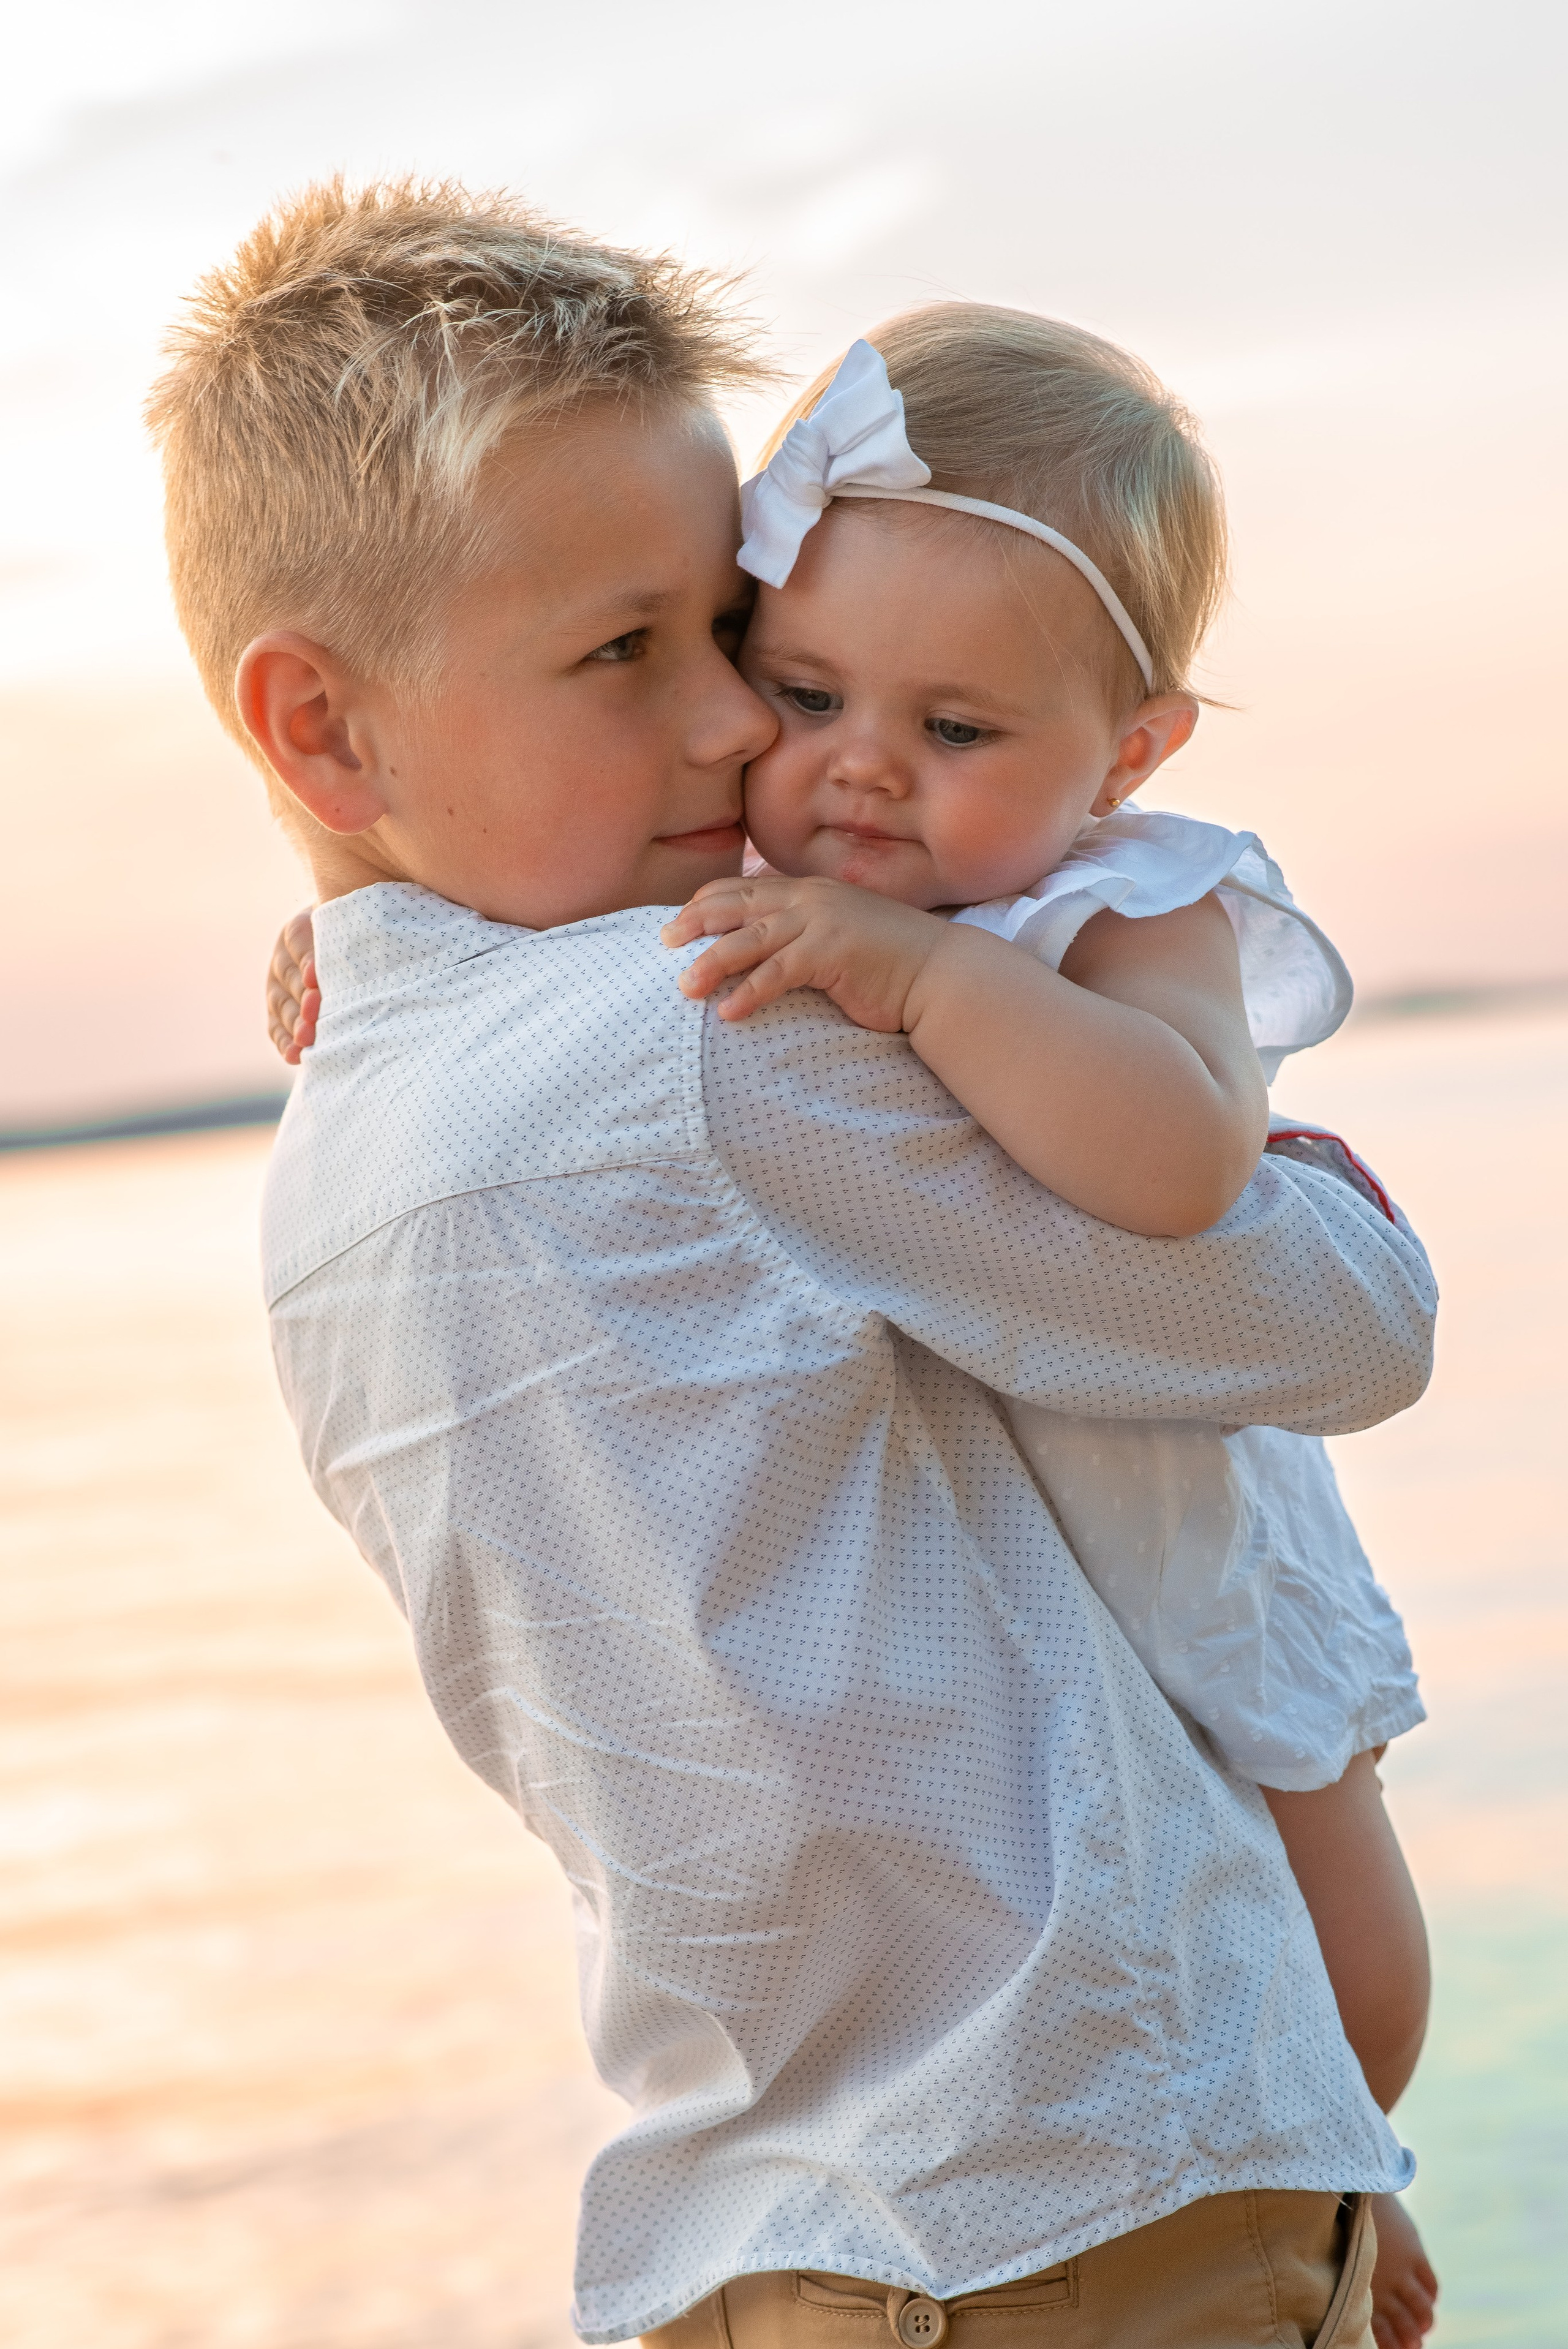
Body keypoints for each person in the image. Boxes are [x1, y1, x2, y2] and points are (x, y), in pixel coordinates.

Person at [165, 179, 1438, 2349]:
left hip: (771, 2233)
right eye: (628, 655)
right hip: (1076, 2197)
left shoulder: (340, 1151)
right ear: (324, 730)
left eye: (726, 631)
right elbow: (1338, 1316)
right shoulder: (714, 1040)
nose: (757, 735)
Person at [654, 318, 1443, 2348]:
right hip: (1010, 1608)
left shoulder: (1130, 909)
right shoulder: (783, 868)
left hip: (1190, 1548)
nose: (858, 772)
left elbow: (1184, 1159)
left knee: (1351, 1966)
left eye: (958, 731)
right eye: (806, 691)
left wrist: (926, 984)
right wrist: (348, 926)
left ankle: (1347, 2169)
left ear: (1133, 752)